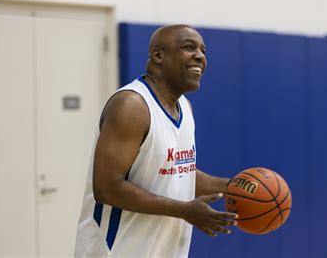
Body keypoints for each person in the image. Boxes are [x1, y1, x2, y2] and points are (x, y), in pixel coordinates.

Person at [75, 24, 238, 258]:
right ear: (158, 56)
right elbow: (107, 188)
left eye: (203, 50)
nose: (200, 56)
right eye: (188, 47)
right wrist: (184, 210)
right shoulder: (132, 106)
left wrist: (235, 186)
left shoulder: (185, 107)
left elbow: (178, 171)